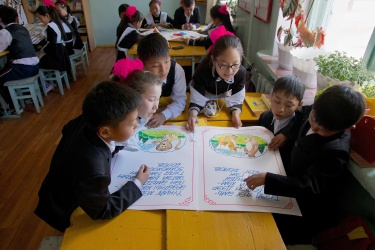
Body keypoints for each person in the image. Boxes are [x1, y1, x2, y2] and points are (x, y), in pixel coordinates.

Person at [244, 85, 367, 244]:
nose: (314, 127)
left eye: (323, 130)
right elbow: (300, 116)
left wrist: (269, 180)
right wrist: (286, 134)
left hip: (303, 207)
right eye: (313, 120)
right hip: (286, 175)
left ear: (348, 128)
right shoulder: (316, 111)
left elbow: (310, 186)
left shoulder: (336, 151)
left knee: (259, 232)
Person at [34, 81, 151, 232]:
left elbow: (67, 128)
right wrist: (137, 183)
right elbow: (104, 210)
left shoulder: (87, 119)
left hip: (58, 187)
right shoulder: (94, 170)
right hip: (64, 209)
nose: (136, 125)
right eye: (131, 123)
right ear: (105, 132)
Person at [185, 34, 246, 132]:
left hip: (223, 100)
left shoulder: (241, 73)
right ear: (213, 60)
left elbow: (236, 99)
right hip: (204, 95)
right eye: (224, 65)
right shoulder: (202, 71)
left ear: (241, 60)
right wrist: (192, 116)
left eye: (235, 64)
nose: (230, 71)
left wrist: (235, 114)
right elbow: (197, 100)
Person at [111, 57, 163, 150]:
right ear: (133, 97)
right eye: (151, 100)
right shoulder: (119, 126)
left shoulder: (140, 117)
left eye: (158, 99)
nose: (156, 106)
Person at [137, 33, 187, 128]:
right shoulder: (138, 75)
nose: (163, 70)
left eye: (167, 61)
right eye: (155, 66)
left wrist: (164, 115)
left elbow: (180, 100)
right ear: (143, 65)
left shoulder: (177, 70)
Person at [257, 75, 305, 165]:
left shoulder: (298, 128)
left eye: (289, 105)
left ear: (299, 105)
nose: (281, 109)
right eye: (277, 101)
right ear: (271, 96)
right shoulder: (264, 117)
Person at [0, 6, 39, 114]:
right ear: (17, 18)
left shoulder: (5, 32)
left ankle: (12, 107)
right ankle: (24, 97)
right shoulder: (23, 28)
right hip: (34, 66)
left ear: (1, 20)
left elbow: (1, 47)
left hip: (23, 68)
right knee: (6, 70)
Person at [35, 1, 71, 73]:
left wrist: (42, 52)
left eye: (41, 18)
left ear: (47, 15)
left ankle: (45, 81)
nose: (40, 21)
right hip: (61, 52)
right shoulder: (55, 22)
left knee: (36, 62)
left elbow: (52, 44)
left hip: (57, 56)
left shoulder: (50, 26)